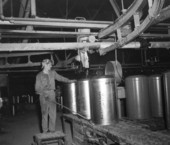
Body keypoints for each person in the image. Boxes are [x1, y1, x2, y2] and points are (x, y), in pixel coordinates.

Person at [35, 59, 75, 133]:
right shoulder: (39, 75)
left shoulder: (53, 73)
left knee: (53, 114)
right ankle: (45, 131)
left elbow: (60, 78)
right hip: (43, 96)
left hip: (52, 94)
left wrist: (69, 81)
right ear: (45, 65)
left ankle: (52, 130)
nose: (51, 65)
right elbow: (37, 88)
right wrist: (43, 94)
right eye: (50, 64)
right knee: (44, 114)